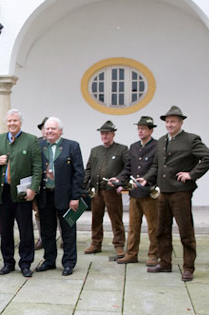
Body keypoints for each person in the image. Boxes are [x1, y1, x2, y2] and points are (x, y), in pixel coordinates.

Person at [138, 106, 209, 282]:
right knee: (161, 230)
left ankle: (188, 267)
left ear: (181, 122)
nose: (169, 124)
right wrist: (146, 179)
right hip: (163, 192)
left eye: (173, 121)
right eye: (167, 121)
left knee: (185, 231)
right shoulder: (161, 141)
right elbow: (157, 166)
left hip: (181, 192)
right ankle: (165, 262)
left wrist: (191, 174)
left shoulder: (191, 139)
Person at [0, 109, 42, 278]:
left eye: (15, 121)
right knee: (5, 230)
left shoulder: (31, 140)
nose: (12, 123)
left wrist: (33, 188)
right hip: (3, 192)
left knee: (25, 230)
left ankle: (26, 263)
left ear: (20, 122)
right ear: (7, 123)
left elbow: (37, 167)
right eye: (10, 121)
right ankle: (8, 262)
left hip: (22, 193)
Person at [36, 117, 85, 276]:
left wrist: (75, 197)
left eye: (53, 129)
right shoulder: (39, 145)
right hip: (45, 196)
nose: (49, 131)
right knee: (47, 231)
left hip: (66, 197)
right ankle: (49, 260)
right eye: (47, 129)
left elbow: (79, 174)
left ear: (60, 131)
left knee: (68, 231)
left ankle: (69, 263)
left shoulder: (72, 146)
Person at [109, 116, 159, 266]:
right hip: (134, 193)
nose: (140, 131)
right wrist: (118, 179)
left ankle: (153, 254)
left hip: (149, 193)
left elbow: (157, 168)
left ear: (151, 130)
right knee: (133, 226)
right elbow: (128, 168)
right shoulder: (134, 146)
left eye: (143, 128)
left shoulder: (157, 146)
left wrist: (148, 181)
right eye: (139, 128)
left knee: (153, 226)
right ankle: (131, 253)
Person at [83, 120, 128, 258]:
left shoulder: (122, 149)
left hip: (112, 190)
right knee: (96, 218)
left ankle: (119, 244)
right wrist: (84, 186)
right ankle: (96, 243)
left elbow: (127, 168)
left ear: (113, 134)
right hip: (96, 190)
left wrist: (121, 182)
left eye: (107, 133)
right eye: (102, 134)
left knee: (116, 218)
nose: (104, 136)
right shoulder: (95, 150)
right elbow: (88, 169)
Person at [34, 117, 48, 250]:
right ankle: (41, 238)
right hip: (39, 184)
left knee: (59, 214)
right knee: (39, 213)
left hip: (54, 184)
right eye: (44, 128)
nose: (46, 130)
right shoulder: (36, 143)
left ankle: (61, 238)